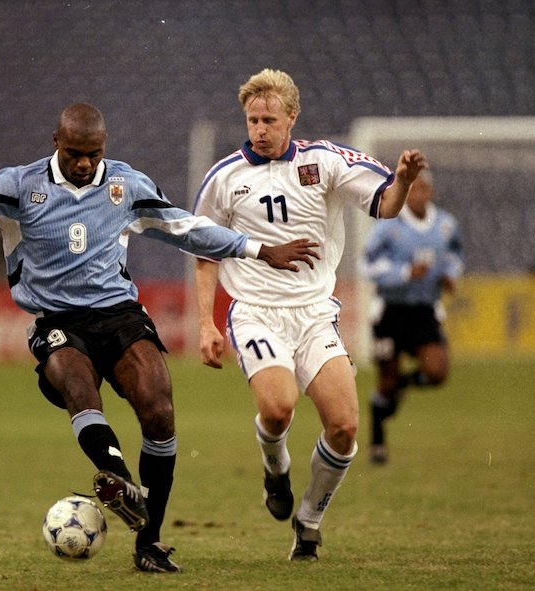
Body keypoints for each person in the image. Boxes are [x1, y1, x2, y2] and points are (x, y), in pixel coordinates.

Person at [0, 103, 315, 573]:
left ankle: (149, 543)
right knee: (77, 383)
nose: (84, 163)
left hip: (119, 315)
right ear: (56, 142)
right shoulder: (18, 186)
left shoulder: (126, 185)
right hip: (56, 320)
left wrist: (259, 249)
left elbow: (186, 228)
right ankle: (118, 480)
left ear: (104, 147)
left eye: (93, 153)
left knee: (159, 408)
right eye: (74, 153)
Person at [192, 69, 428, 561]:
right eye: (253, 120)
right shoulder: (224, 178)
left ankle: (309, 522)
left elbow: (385, 205)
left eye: (269, 120)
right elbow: (205, 253)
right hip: (256, 312)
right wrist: (206, 323)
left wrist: (404, 180)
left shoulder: (325, 162)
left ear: (292, 118)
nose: (259, 129)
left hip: (315, 313)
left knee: (344, 427)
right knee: (278, 407)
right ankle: (275, 468)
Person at [360, 170, 463, 464]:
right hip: (390, 312)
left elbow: (455, 256)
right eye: (412, 188)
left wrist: (451, 274)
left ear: (431, 192)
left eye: (423, 188)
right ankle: (377, 438)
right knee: (386, 382)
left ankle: (404, 385)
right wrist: (404, 273)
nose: (417, 194)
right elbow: (366, 264)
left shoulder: (445, 225)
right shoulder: (388, 226)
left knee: (437, 372)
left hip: (424, 310)